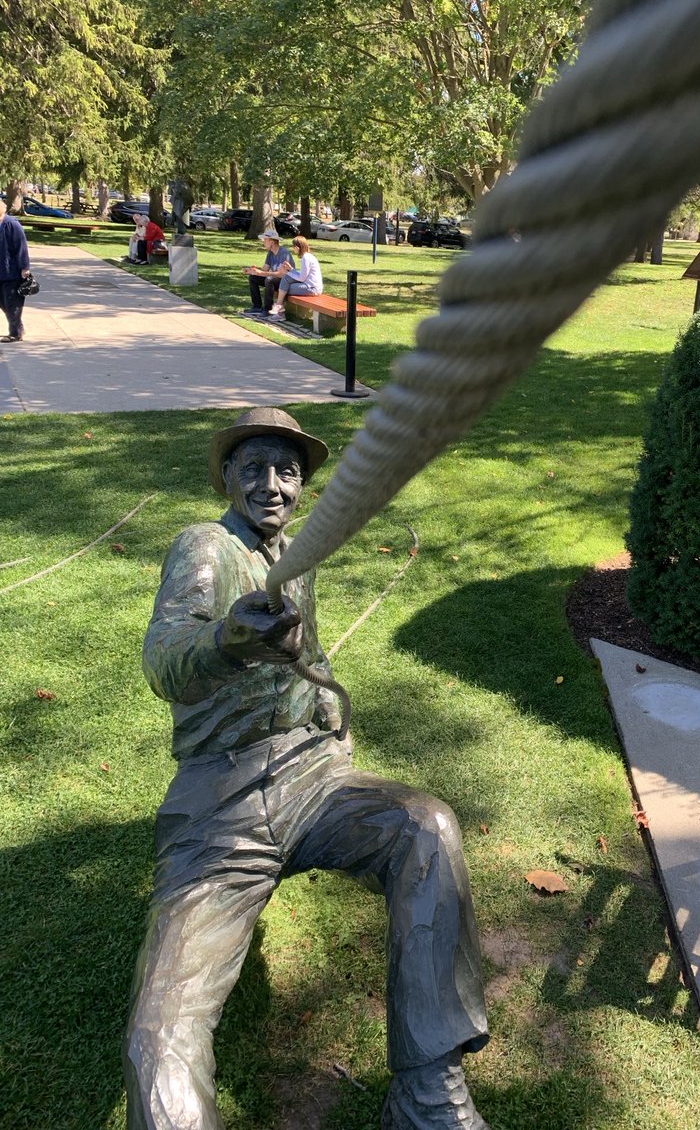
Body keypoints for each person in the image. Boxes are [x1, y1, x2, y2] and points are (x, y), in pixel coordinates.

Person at [124, 407, 490, 1130]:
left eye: (286, 471)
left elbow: (310, 656)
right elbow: (166, 663)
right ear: (226, 475)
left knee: (427, 826)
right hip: (221, 807)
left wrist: (329, 720)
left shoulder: (297, 555)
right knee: (162, 1027)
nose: (271, 485)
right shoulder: (205, 546)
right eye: (254, 468)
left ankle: (425, 1095)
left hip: (311, 779)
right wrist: (228, 640)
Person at [268, 235, 323, 322]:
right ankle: (279, 308)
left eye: (293, 247)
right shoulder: (308, 256)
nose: (293, 249)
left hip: (312, 288)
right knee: (285, 281)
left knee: (284, 288)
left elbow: (301, 278)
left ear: (297, 247)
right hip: (309, 285)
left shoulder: (306, 258)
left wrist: (287, 272)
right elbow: (303, 275)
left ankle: (279, 311)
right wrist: (291, 269)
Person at [241, 229, 294, 317]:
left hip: (285, 282)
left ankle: (267, 309)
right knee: (253, 278)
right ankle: (257, 306)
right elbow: (264, 269)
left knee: (269, 280)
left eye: (265, 240)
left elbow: (282, 274)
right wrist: (253, 271)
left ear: (272, 242)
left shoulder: (284, 253)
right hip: (275, 278)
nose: (263, 242)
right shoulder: (270, 253)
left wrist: (262, 273)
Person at [0, 199, 31, 344]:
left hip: (11, 272)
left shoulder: (12, 224)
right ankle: (18, 327)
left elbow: (21, 247)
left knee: (13, 304)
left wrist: (25, 267)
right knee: (4, 303)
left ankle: (16, 334)